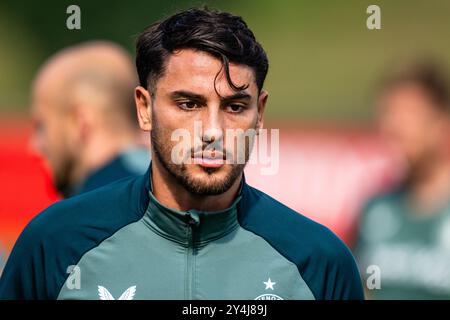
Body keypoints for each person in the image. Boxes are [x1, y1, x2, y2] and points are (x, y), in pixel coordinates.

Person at [0, 8, 363, 300]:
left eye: (235, 107)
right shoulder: (55, 243)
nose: (212, 131)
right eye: (189, 104)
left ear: (260, 113)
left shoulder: (318, 262)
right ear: (144, 108)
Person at [354, 60, 450, 299]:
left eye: (409, 114)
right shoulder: (376, 208)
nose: (394, 126)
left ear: (440, 122)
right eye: (388, 114)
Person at [30, 41, 149, 198]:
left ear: (80, 122)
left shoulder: (79, 215)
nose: (34, 147)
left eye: (42, 126)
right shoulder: (176, 194)